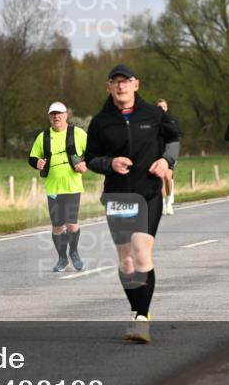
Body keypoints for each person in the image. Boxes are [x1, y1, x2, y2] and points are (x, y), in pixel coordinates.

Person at [85, 65, 180, 343]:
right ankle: (136, 310)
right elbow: (90, 158)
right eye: (115, 82)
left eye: (125, 81)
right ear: (108, 87)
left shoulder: (154, 114)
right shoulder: (101, 122)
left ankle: (141, 318)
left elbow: (174, 138)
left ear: (136, 84)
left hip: (148, 193)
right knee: (126, 262)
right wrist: (109, 163)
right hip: (118, 196)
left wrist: (166, 161)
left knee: (141, 253)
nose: (121, 86)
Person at [29, 101, 88, 272]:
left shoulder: (77, 133)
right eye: (53, 114)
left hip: (72, 186)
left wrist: (85, 164)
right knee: (57, 226)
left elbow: (93, 152)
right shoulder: (44, 137)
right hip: (53, 187)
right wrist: (37, 163)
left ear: (66, 115)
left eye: (59, 113)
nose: (56, 116)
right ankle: (62, 258)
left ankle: (74, 253)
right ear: (49, 117)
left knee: (71, 224)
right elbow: (32, 158)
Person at [156, 99, 183, 215]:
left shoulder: (173, 120)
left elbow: (179, 134)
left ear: (167, 108)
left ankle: (168, 202)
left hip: (169, 151)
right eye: (159, 106)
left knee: (168, 177)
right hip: (157, 150)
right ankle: (162, 204)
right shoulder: (152, 121)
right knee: (160, 178)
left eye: (164, 106)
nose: (162, 108)